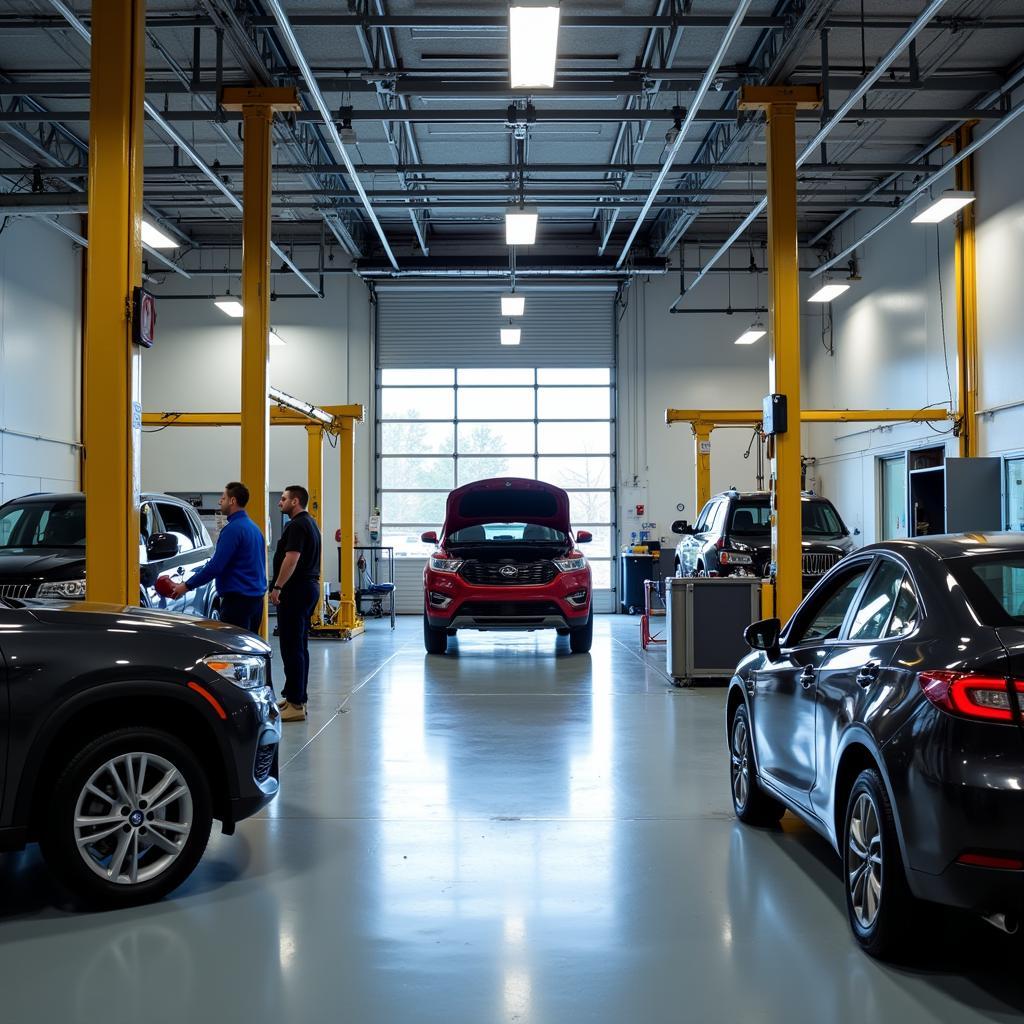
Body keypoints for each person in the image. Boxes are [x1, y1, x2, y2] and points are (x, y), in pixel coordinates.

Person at [169, 482, 267, 632]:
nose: (219, 501)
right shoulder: (254, 529)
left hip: (238, 603)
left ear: (232, 501)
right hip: (256, 601)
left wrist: (186, 586)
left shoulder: (233, 530)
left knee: (233, 650)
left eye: (223, 498)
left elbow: (216, 566)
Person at [270, 484, 322, 722]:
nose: (280, 502)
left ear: (295, 501)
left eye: (283, 499)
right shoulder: (310, 523)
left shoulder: (296, 526)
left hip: (296, 590)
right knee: (299, 645)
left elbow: (292, 559)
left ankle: (296, 704)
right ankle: (295, 697)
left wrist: (278, 586)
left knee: (291, 646)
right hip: (308, 588)